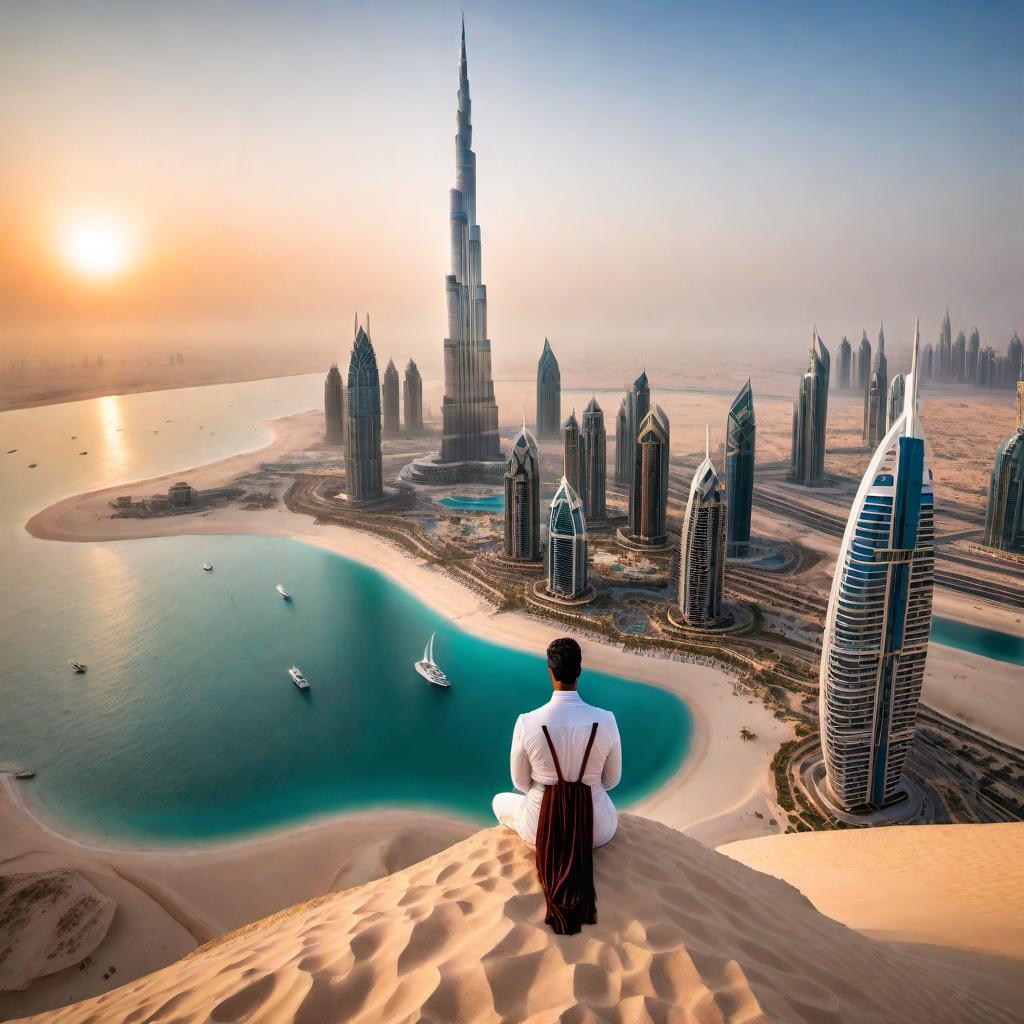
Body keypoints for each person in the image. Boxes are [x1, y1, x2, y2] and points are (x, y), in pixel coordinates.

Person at [492, 637, 622, 850]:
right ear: (579, 671)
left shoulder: (527, 722)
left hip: (541, 831)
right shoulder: (607, 720)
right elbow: (612, 780)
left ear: (550, 672)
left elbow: (520, 783)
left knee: (499, 801)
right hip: (596, 832)